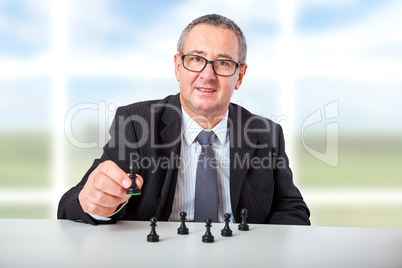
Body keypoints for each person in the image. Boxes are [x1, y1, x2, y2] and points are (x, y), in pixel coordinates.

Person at [58, 14, 310, 225]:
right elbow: (69, 206)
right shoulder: (135, 123)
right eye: (196, 60)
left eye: (223, 63)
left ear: (240, 75)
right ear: (178, 66)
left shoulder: (267, 133)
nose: (207, 75)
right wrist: (95, 203)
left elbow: (292, 208)